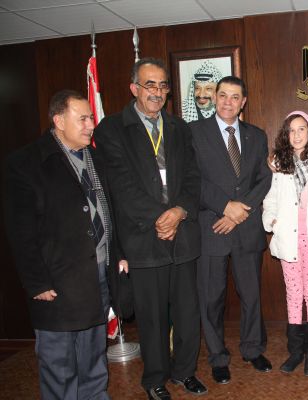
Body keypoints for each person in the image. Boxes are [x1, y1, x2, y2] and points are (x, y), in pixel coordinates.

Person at [94, 57, 206, 399]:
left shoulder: (179, 128)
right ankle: (155, 378)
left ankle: (185, 371)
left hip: (183, 235)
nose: (157, 92)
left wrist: (180, 212)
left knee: (187, 313)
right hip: (143, 237)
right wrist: (162, 218)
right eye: (149, 85)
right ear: (134, 88)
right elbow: (121, 186)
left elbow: (193, 177)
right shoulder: (111, 129)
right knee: (152, 316)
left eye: (163, 85)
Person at [4, 90, 124, 399]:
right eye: (82, 119)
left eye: (91, 118)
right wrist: (37, 282)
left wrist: (118, 254)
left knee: (94, 358)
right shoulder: (26, 163)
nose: (90, 125)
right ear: (58, 121)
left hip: (97, 276)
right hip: (56, 285)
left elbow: (110, 211)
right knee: (60, 365)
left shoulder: (96, 158)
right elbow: (21, 232)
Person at [190, 76, 272, 385]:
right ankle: (218, 357)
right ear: (214, 97)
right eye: (222, 95)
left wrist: (238, 211)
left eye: (234, 97)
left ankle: (253, 349)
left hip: (246, 227)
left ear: (243, 102)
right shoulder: (194, 132)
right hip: (212, 226)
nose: (227, 101)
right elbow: (192, 179)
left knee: (251, 295)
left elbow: (264, 179)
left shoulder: (256, 135)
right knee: (211, 298)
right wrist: (225, 206)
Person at [262, 111, 308, 376]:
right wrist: (271, 220)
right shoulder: (279, 162)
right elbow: (270, 199)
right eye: (291, 130)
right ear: (286, 134)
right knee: (293, 293)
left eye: (301, 129)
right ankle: (295, 351)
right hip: (288, 239)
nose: (296, 135)